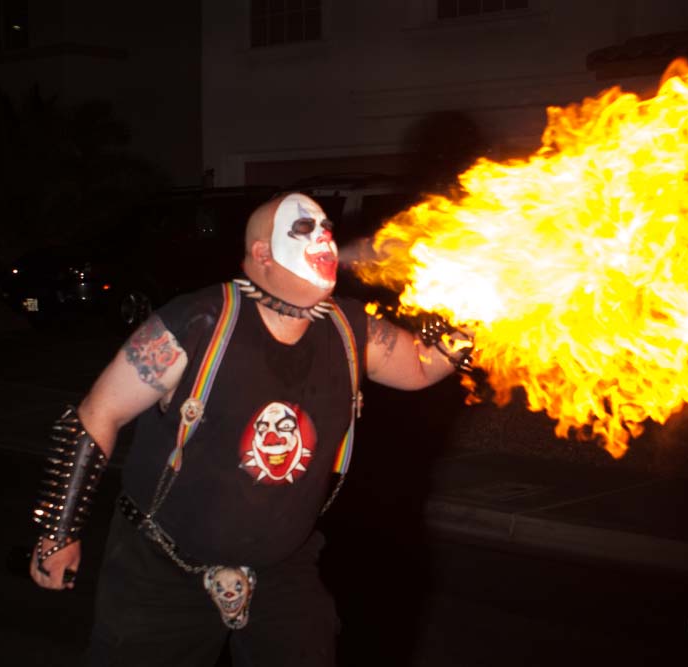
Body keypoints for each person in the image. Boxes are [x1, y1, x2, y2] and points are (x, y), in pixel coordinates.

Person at [28, 192, 473, 666]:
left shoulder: (350, 329)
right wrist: (59, 532)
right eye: (305, 229)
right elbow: (98, 413)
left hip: (281, 572)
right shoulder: (195, 323)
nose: (324, 235)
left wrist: (478, 313)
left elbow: (422, 366)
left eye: (326, 226)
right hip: (162, 573)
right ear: (262, 254)